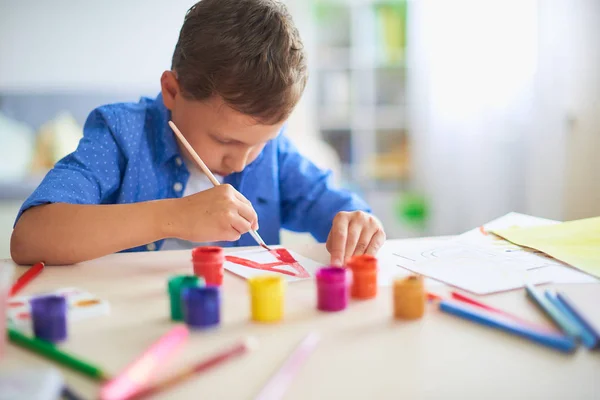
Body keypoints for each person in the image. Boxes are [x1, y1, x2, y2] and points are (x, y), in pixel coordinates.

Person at [10, 0, 385, 266]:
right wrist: (173, 217)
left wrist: (357, 221)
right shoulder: (121, 134)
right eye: (225, 141)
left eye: (259, 144)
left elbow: (339, 207)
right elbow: (30, 236)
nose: (240, 161)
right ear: (172, 91)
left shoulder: (268, 154)